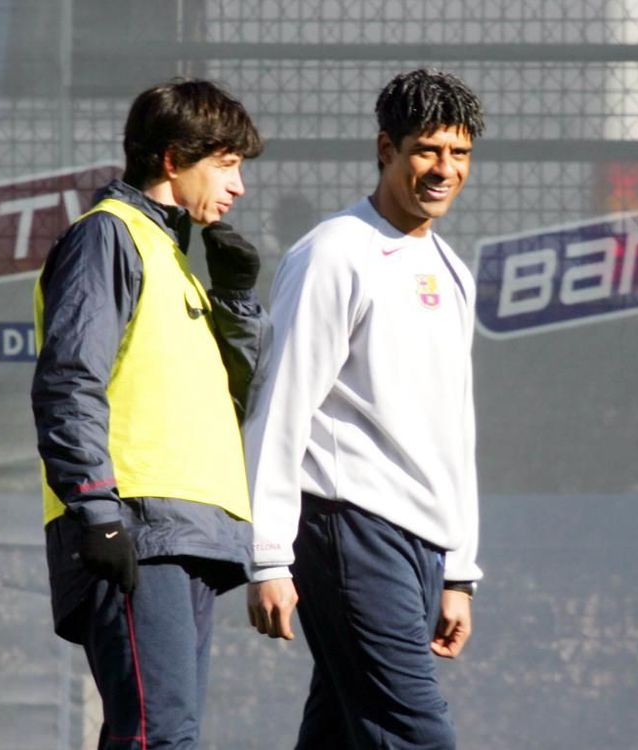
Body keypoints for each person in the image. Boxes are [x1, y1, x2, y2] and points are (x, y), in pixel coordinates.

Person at [244, 68, 485, 749]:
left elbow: (453, 427)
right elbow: (280, 405)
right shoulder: (333, 254)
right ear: (387, 149)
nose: (444, 170)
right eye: (427, 151)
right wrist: (266, 556)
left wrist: (460, 569)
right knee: (415, 736)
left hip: (423, 548)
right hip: (348, 530)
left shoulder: (451, 268)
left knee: (342, 736)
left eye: (459, 154)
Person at [31, 79, 265, 749]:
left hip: (184, 529)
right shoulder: (109, 236)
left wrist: (237, 302)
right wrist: (97, 512)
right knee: (157, 737)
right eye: (226, 163)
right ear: (172, 159)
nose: (240, 185)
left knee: (165, 734)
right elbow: (69, 381)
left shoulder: (173, 257)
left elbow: (229, 397)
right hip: (134, 525)